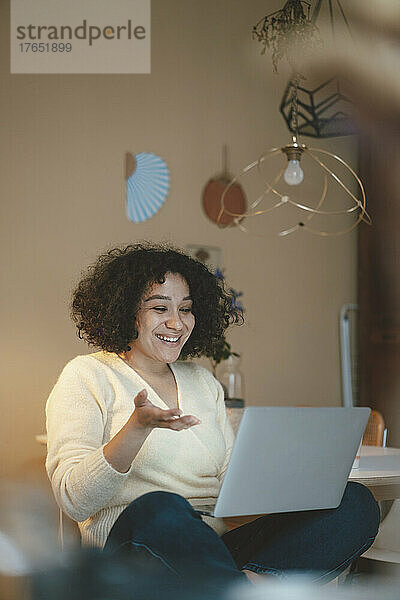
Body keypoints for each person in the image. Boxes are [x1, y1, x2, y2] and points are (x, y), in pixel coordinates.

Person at [46, 242, 379, 591]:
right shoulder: (87, 375)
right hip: (135, 551)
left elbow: (228, 489)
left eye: (186, 309)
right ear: (127, 311)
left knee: (355, 502)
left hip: (212, 550)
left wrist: (291, 475)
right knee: (161, 507)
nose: (176, 323)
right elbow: (74, 500)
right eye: (160, 308)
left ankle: (238, 589)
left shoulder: (203, 382)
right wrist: (136, 428)